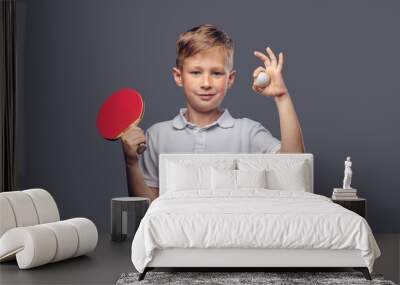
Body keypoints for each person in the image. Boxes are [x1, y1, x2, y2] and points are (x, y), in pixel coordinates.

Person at [121, 24, 305, 201]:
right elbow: (149, 208)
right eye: (195, 72)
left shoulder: (248, 133)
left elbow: (293, 168)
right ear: (179, 76)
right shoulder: (157, 136)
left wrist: (282, 97)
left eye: (216, 73)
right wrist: (131, 163)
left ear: (230, 79)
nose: (206, 83)